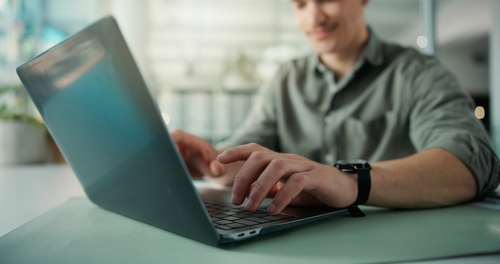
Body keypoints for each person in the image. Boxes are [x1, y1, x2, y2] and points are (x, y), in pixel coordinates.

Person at [171, 0, 500, 215]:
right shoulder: (285, 79)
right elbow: (249, 158)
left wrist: (350, 182)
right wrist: (207, 163)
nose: (314, 16)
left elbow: (474, 162)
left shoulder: (418, 73)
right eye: (300, 4)